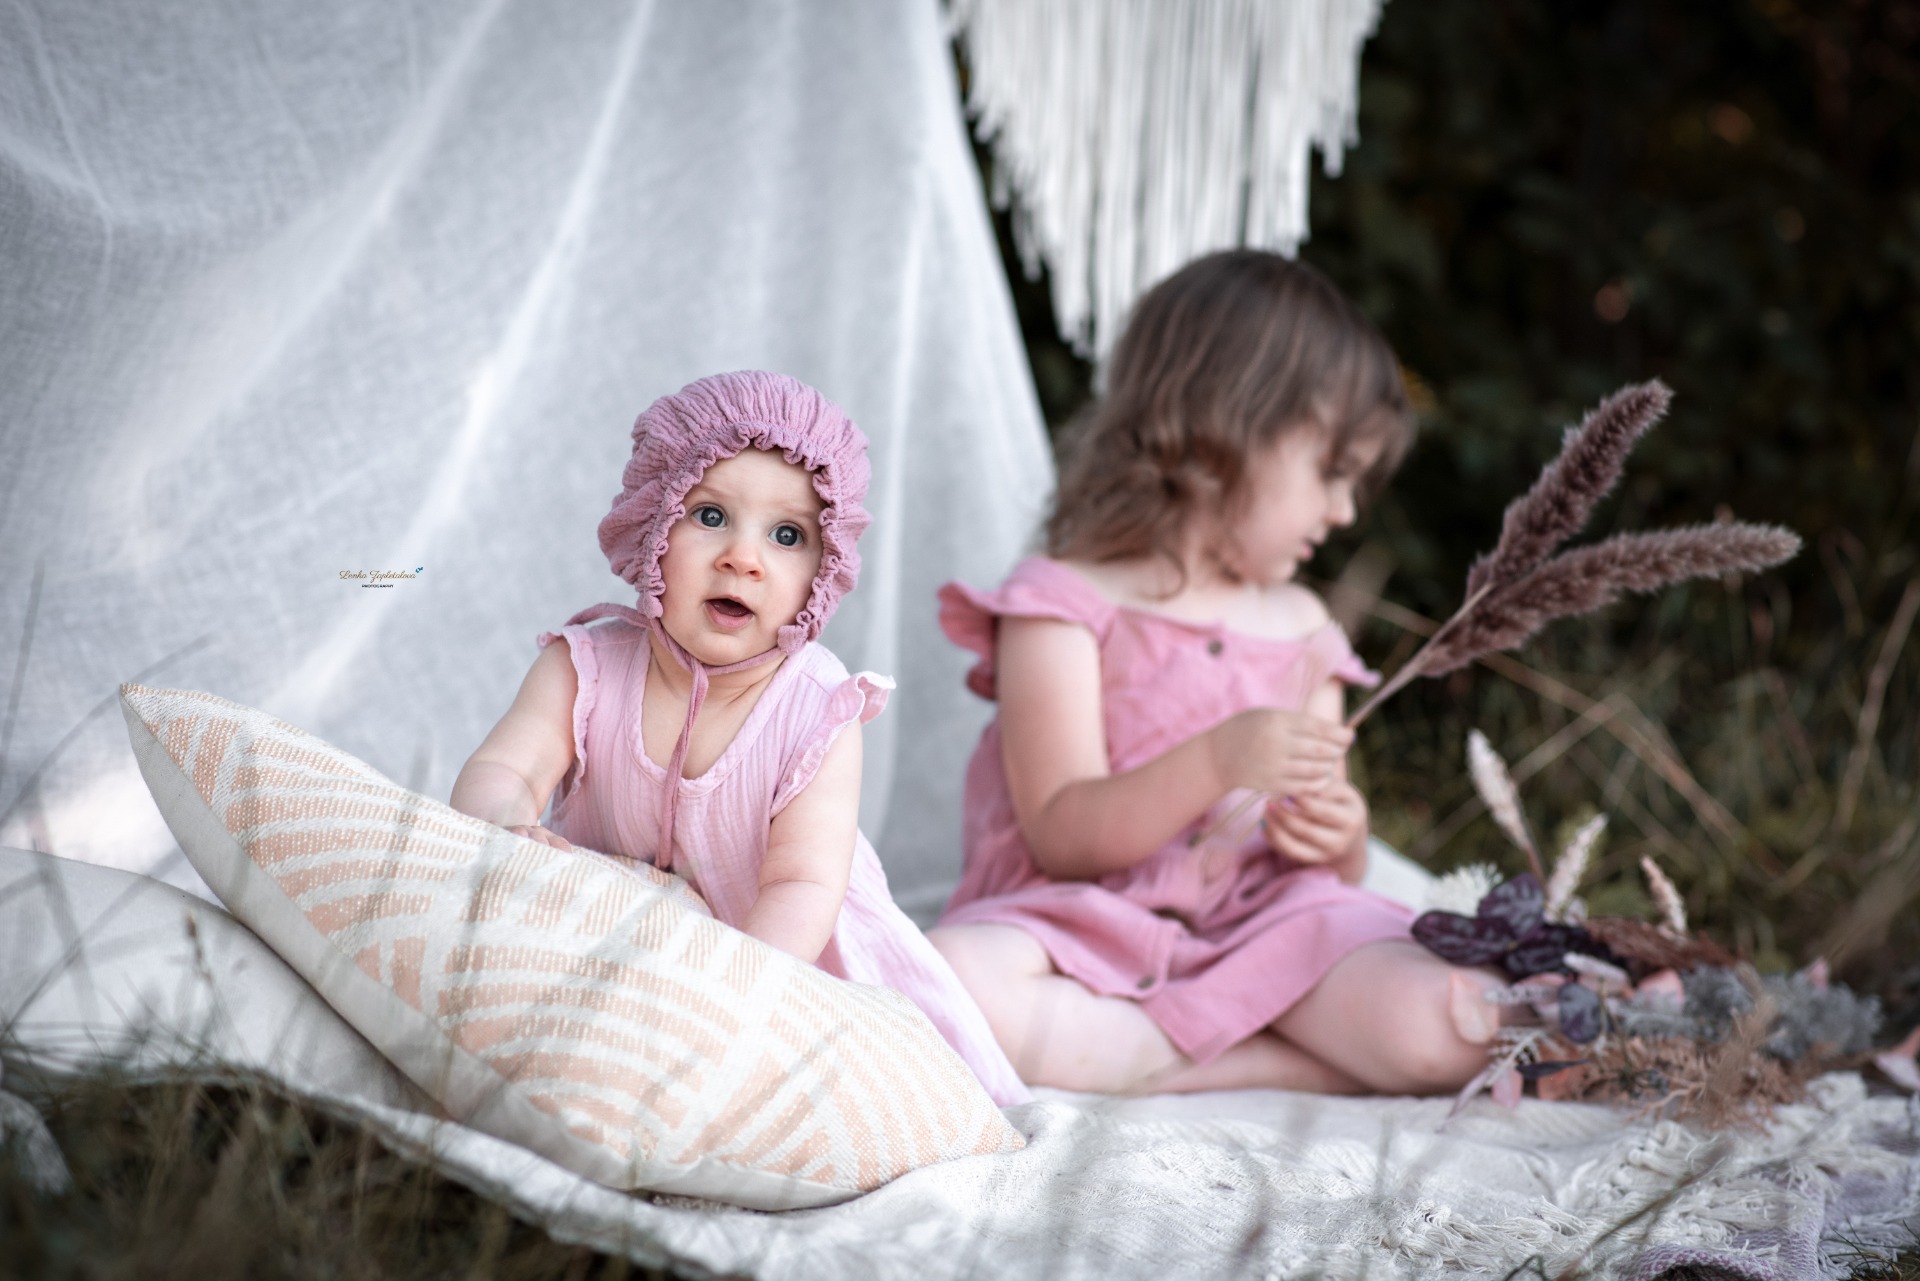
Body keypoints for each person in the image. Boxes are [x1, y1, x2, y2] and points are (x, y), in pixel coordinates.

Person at [928, 252, 1510, 1097]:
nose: (1345, 511)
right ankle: (1277, 1065)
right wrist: (1217, 759)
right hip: (1081, 924)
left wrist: (1341, 835)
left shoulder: (1304, 626)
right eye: (1331, 472)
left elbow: (1321, 864)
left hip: (1261, 928)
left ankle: (1157, 1055)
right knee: (953, 984)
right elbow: (1062, 834)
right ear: (1220, 435)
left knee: (1456, 1019)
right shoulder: (1059, 605)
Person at [451, 370, 1028, 1106]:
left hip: (791, 968)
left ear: (823, 567)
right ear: (651, 525)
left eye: (787, 535)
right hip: (633, 952)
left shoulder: (818, 710)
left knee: (895, 1102)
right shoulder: (585, 667)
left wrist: (727, 1000)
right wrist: (504, 825)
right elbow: (506, 767)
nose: (742, 558)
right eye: (710, 515)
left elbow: (802, 884)